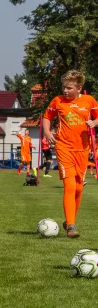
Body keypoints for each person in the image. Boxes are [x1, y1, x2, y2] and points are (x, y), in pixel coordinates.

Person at [43, 70, 98, 238]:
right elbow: (46, 116)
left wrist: (94, 122)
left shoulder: (89, 101)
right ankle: (71, 226)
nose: (65, 91)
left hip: (82, 149)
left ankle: (69, 220)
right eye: (63, 87)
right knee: (70, 185)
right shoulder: (57, 101)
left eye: (69, 88)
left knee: (79, 188)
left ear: (79, 87)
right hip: (63, 147)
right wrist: (47, 132)